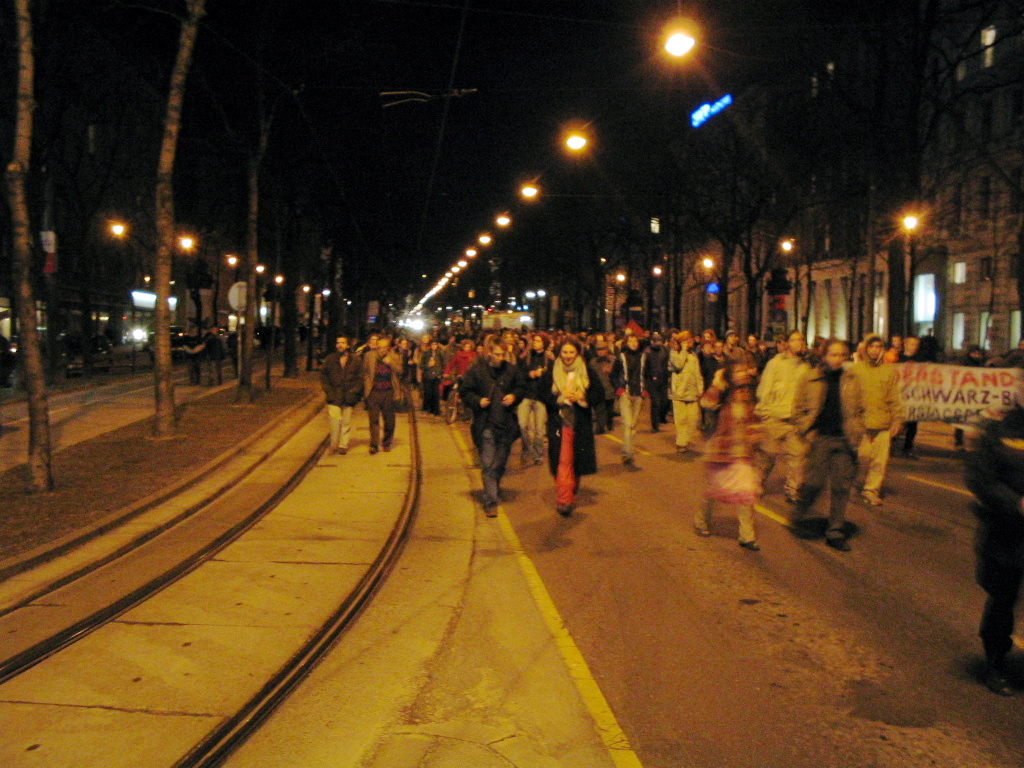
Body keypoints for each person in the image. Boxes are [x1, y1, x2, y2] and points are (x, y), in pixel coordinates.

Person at [965, 403, 1024, 696]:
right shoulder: (999, 431)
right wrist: (1015, 503)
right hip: (1007, 536)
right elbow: (980, 478)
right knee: (1003, 600)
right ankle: (996, 663)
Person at [791, 339, 864, 551]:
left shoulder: (852, 379)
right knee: (813, 483)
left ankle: (835, 531)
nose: (838, 359)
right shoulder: (810, 378)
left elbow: (860, 409)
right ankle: (800, 509)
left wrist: (858, 430)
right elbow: (797, 409)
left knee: (841, 487)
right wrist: (806, 431)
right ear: (824, 356)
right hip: (820, 438)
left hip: (844, 440)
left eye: (842, 355)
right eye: (833, 354)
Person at [695, 359, 762, 550]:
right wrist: (717, 383)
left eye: (744, 371)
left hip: (742, 453)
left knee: (746, 493)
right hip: (721, 452)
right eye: (737, 371)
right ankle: (701, 521)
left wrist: (756, 433)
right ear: (730, 375)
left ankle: (747, 536)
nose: (742, 375)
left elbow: (753, 418)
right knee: (714, 491)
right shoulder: (724, 392)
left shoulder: (748, 393)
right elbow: (706, 402)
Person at [460, 340, 525, 517]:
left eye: (503, 354)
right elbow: (465, 391)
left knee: (499, 463)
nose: (500, 358)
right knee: (488, 464)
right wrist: (477, 401)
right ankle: (490, 501)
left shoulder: (511, 370)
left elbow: (521, 387)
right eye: (497, 354)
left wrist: (514, 396)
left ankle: (493, 488)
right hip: (486, 424)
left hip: (506, 425)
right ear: (489, 353)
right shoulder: (477, 371)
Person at [540, 339, 603, 516]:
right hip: (559, 422)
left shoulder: (587, 370)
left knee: (576, 463)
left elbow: (599, 393)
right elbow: (542, 393)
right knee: (562, 461)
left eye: (571, 352)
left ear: (577, 353)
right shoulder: (552, 370)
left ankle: (570, 492)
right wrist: (559, 399)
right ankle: (564, 499)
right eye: (564, 352)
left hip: (580, 422)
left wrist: (582, 396)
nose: (568, 356)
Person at [755, 330, 811, 502]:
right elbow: (764, 390)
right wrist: (764, 414)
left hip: (794, 421)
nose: (799, 343)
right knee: (767, 456)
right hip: (774, 418)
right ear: (787, 343)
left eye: (801, 339)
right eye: (795, 340)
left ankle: (793, 489)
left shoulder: (805, 367)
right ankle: (757, 483)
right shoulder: (775, 364)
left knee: (798, 456)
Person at [850, 333, 902, 507]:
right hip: (862, 424)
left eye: (878, 347)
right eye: (871, 346)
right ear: (866, 348)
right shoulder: (857, 370)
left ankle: (871, 490)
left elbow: (894, 397)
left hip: (882, 423)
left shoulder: (888, 371)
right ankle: (854, 482)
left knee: (880, 461)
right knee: (863, 457)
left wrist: (897, 419)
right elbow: (850, 396)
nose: (875, 350)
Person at [320, 336, 364, 454]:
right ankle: (334, 444)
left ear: (348, 345)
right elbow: (324, 376)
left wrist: (354, 392)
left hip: (348, 396)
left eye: (343, 343)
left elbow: (360, 378)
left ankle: (343, 445)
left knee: (346, 422)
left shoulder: (355, 360)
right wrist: (328, 391)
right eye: (338, 343)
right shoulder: (330, 359)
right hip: (334, 396)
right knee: (334, 422)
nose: (340, 345)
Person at [362, 335, 403, 454]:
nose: (382, 350)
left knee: (389, 420)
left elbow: (400, 371)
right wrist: (366, 387)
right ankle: (374, 445)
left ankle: (387, 442)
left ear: (388, 348)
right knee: (373, 420)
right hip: (374, 392)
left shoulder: (394, 357)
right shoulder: (369, 356)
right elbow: (364, 371)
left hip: (388, 392)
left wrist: (391, 364)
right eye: (380, 347)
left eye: (385, 347)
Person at [611, 333, 645, 466]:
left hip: (638, 393)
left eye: (635, 340)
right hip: (625, 393)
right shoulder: (621, 358)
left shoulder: (643, 357)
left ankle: (629, 450)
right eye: (630, 341)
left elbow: (647, 374)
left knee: (633, 425)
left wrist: (646, 390)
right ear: (626, 343)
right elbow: (613, 375)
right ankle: (627, 453)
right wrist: (619, 389)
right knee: (627, 424)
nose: (633, 343)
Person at [516, 332, 550, 465]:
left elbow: (552, 376)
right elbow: (519, 374)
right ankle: (526, 449)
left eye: (538, 341)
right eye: (534, 340)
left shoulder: (549, 358)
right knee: (523, 425)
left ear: (544, 343)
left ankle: (537, 455)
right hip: (526, 395)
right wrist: (529, 374)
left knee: (539, 430)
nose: (535, 343)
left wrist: (543, 374)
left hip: (541, 397)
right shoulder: (526, 357)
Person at [668, 331, 703, 452]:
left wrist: (700, 388)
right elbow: (678, 364)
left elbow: (697, 372)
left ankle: (686, 438)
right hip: (679, 392)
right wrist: (682, 350)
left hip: (692, 392)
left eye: (690, 340)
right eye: (687, 341)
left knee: (693, 418)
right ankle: (681, 443)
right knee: (681, 419)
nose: (690, 343)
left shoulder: (693, 355)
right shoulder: (674, 353)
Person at [898, 335, 924, 458]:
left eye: (916, 345)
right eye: (912, 344)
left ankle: (908, 447)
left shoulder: (921, 361)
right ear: (905, 344)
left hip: (914, 396)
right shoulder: (897, 359)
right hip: (899, 395)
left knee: (912, 424)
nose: (914, 347)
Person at [589, 334, 617, 435]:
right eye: (598, 350)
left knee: (609, 410)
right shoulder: (593, 362)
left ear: (607, 350)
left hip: (610, 389)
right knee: (599, 410)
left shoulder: (613, 360)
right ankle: (600, 428)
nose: (600, 352)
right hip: (598, 390)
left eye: (603, 349)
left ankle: (609, 424)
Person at [642, 332, 671, 431]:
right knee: (655, 403)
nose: (659, 343)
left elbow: (667, 364)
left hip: (663, 380)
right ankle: (655, 425)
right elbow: (644, 368)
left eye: (660, 341)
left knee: (664, 401)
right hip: (651, 381)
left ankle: (660, 418)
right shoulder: (647, 352)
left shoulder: (665, 351)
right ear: (652, 341)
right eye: (657, 341)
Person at [418, 337, 445, 416]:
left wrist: (441, 372)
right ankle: (426, 408)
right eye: (432, 345)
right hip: (428, 376)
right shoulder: (426, 353)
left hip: (437, 376)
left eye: (435, 345)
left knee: (436, 393)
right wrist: (428, 366)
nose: (434, 346)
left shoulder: (440, 353)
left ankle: (435, 410)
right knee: (428, 393)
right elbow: (421, 365)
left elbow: (443, 364)